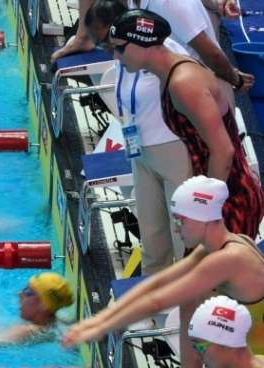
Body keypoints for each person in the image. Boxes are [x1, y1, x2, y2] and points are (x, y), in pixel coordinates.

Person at [63, 176, 264, 368]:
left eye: (182, 220)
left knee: (192, 301)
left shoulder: (228, 259)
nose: (176, 227)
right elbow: (159, 282)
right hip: (249, 359)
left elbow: (160, 300)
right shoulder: (218, 248)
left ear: (203, 217)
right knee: (192, 301)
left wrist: (99, 328)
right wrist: (101, 318)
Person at [109, 9, 264, 239]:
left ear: (143, 44)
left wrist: (203, 210)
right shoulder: (169, 75)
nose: (115, 57)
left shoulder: (184, 83)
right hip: (216, 196)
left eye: (119, 48)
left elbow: (223, 151)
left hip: (229, 200)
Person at [84, 0, 193, 273]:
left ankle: (188, 306)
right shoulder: (125, 57)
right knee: (152, 237)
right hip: (141, 153)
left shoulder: (168, 57)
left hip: (174, 151)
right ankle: (154, 309)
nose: (109, 51)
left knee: (184, 238)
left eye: (108, 43)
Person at [51, 0, 254, 97]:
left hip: (199, 88)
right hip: (163, 83)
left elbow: (211, 53)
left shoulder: (170, 4)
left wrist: (233, 79)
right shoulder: (135, 2)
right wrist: (83, 36)